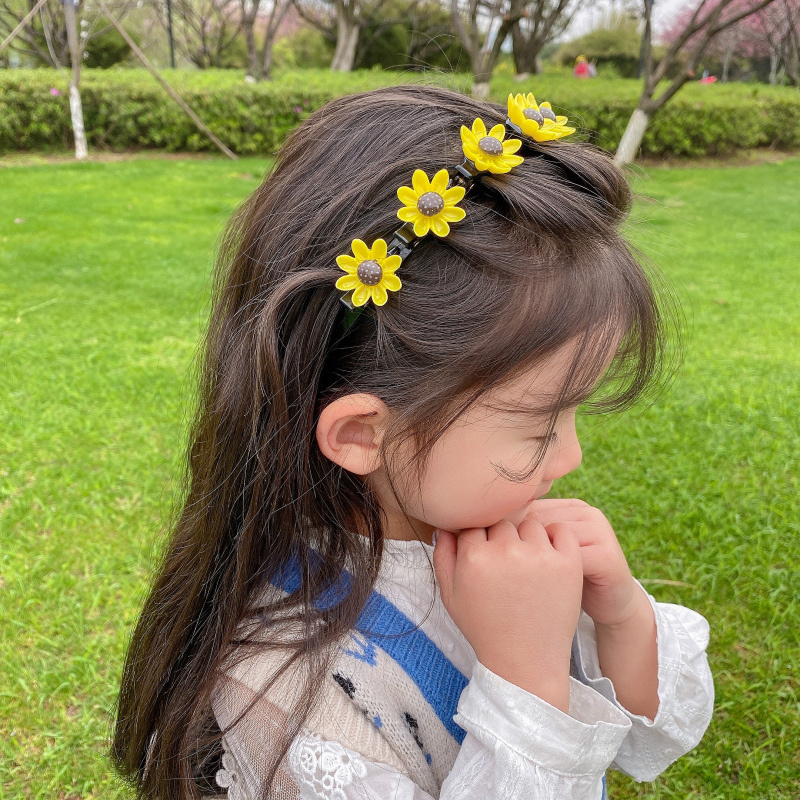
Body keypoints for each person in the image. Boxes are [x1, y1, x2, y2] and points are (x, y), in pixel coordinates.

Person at [111, 85, 714, 800]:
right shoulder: (294, 703)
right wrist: (529, 684)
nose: (571, 457)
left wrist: (617, 615)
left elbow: (647, 735)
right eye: (539, 424)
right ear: (363, 433)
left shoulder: (487, 541)